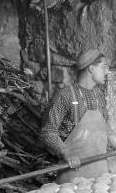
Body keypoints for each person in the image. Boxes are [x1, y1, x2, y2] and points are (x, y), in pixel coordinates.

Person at [40, 49, 111, 183]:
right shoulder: (64, 96)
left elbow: (104, 129)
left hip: (101, 174)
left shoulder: (100, 96)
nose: (107, 71)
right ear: (91, 68)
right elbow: (47, 132)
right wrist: (66, 152)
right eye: (103, 67)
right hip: (73, 176)